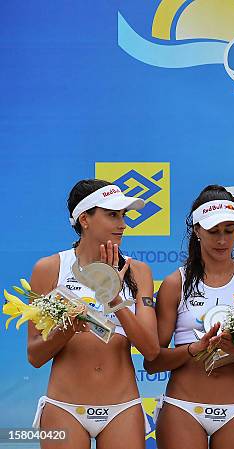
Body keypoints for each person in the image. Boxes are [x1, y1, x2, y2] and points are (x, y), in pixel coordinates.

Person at [29, 179, 159, 449]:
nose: (122, 223)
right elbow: (35, 355)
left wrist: (114, 298)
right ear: (84, 219)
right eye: (112, 215)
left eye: (123, 215)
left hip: (122, 408)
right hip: (64, 407)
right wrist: (68, 329)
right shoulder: (50, 268)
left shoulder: (138, 272)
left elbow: (150, 350)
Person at [144, 185, 234, 449]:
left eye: (230, 231)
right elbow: (152, 362)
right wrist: (194, 350)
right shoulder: (174, 284)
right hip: (184, 408)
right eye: (213, 232)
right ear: (197, 231)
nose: (222, 240)